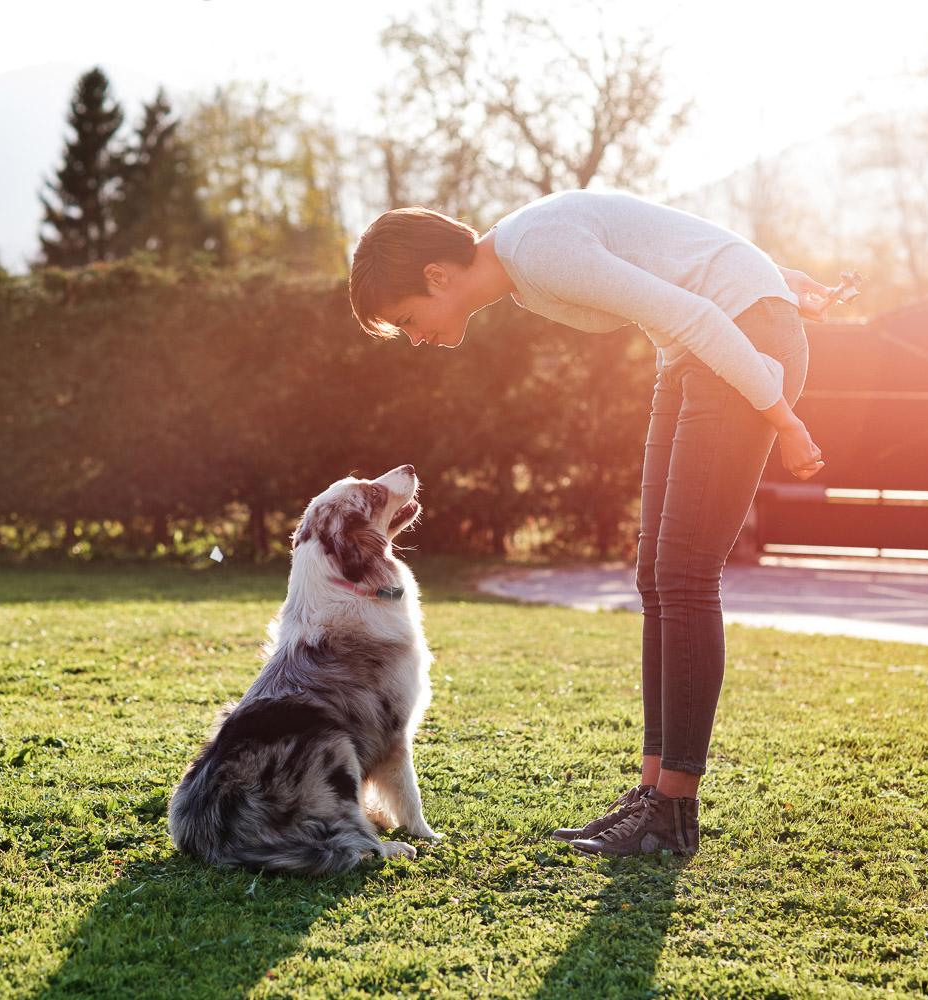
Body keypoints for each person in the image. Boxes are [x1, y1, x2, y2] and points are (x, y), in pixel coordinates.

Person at [347, 189, 835, 858]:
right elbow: (662, 244)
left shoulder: (535, 250)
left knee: (686, 576)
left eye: (408, 319)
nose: (416, 338)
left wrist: (784, 417)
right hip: (699, 348)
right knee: (658, 575)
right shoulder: (526, 267)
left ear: (437, 275)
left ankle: (674, 812)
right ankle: (652, 794)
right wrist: (772, 277)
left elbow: (691, 306)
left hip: (736, 343)